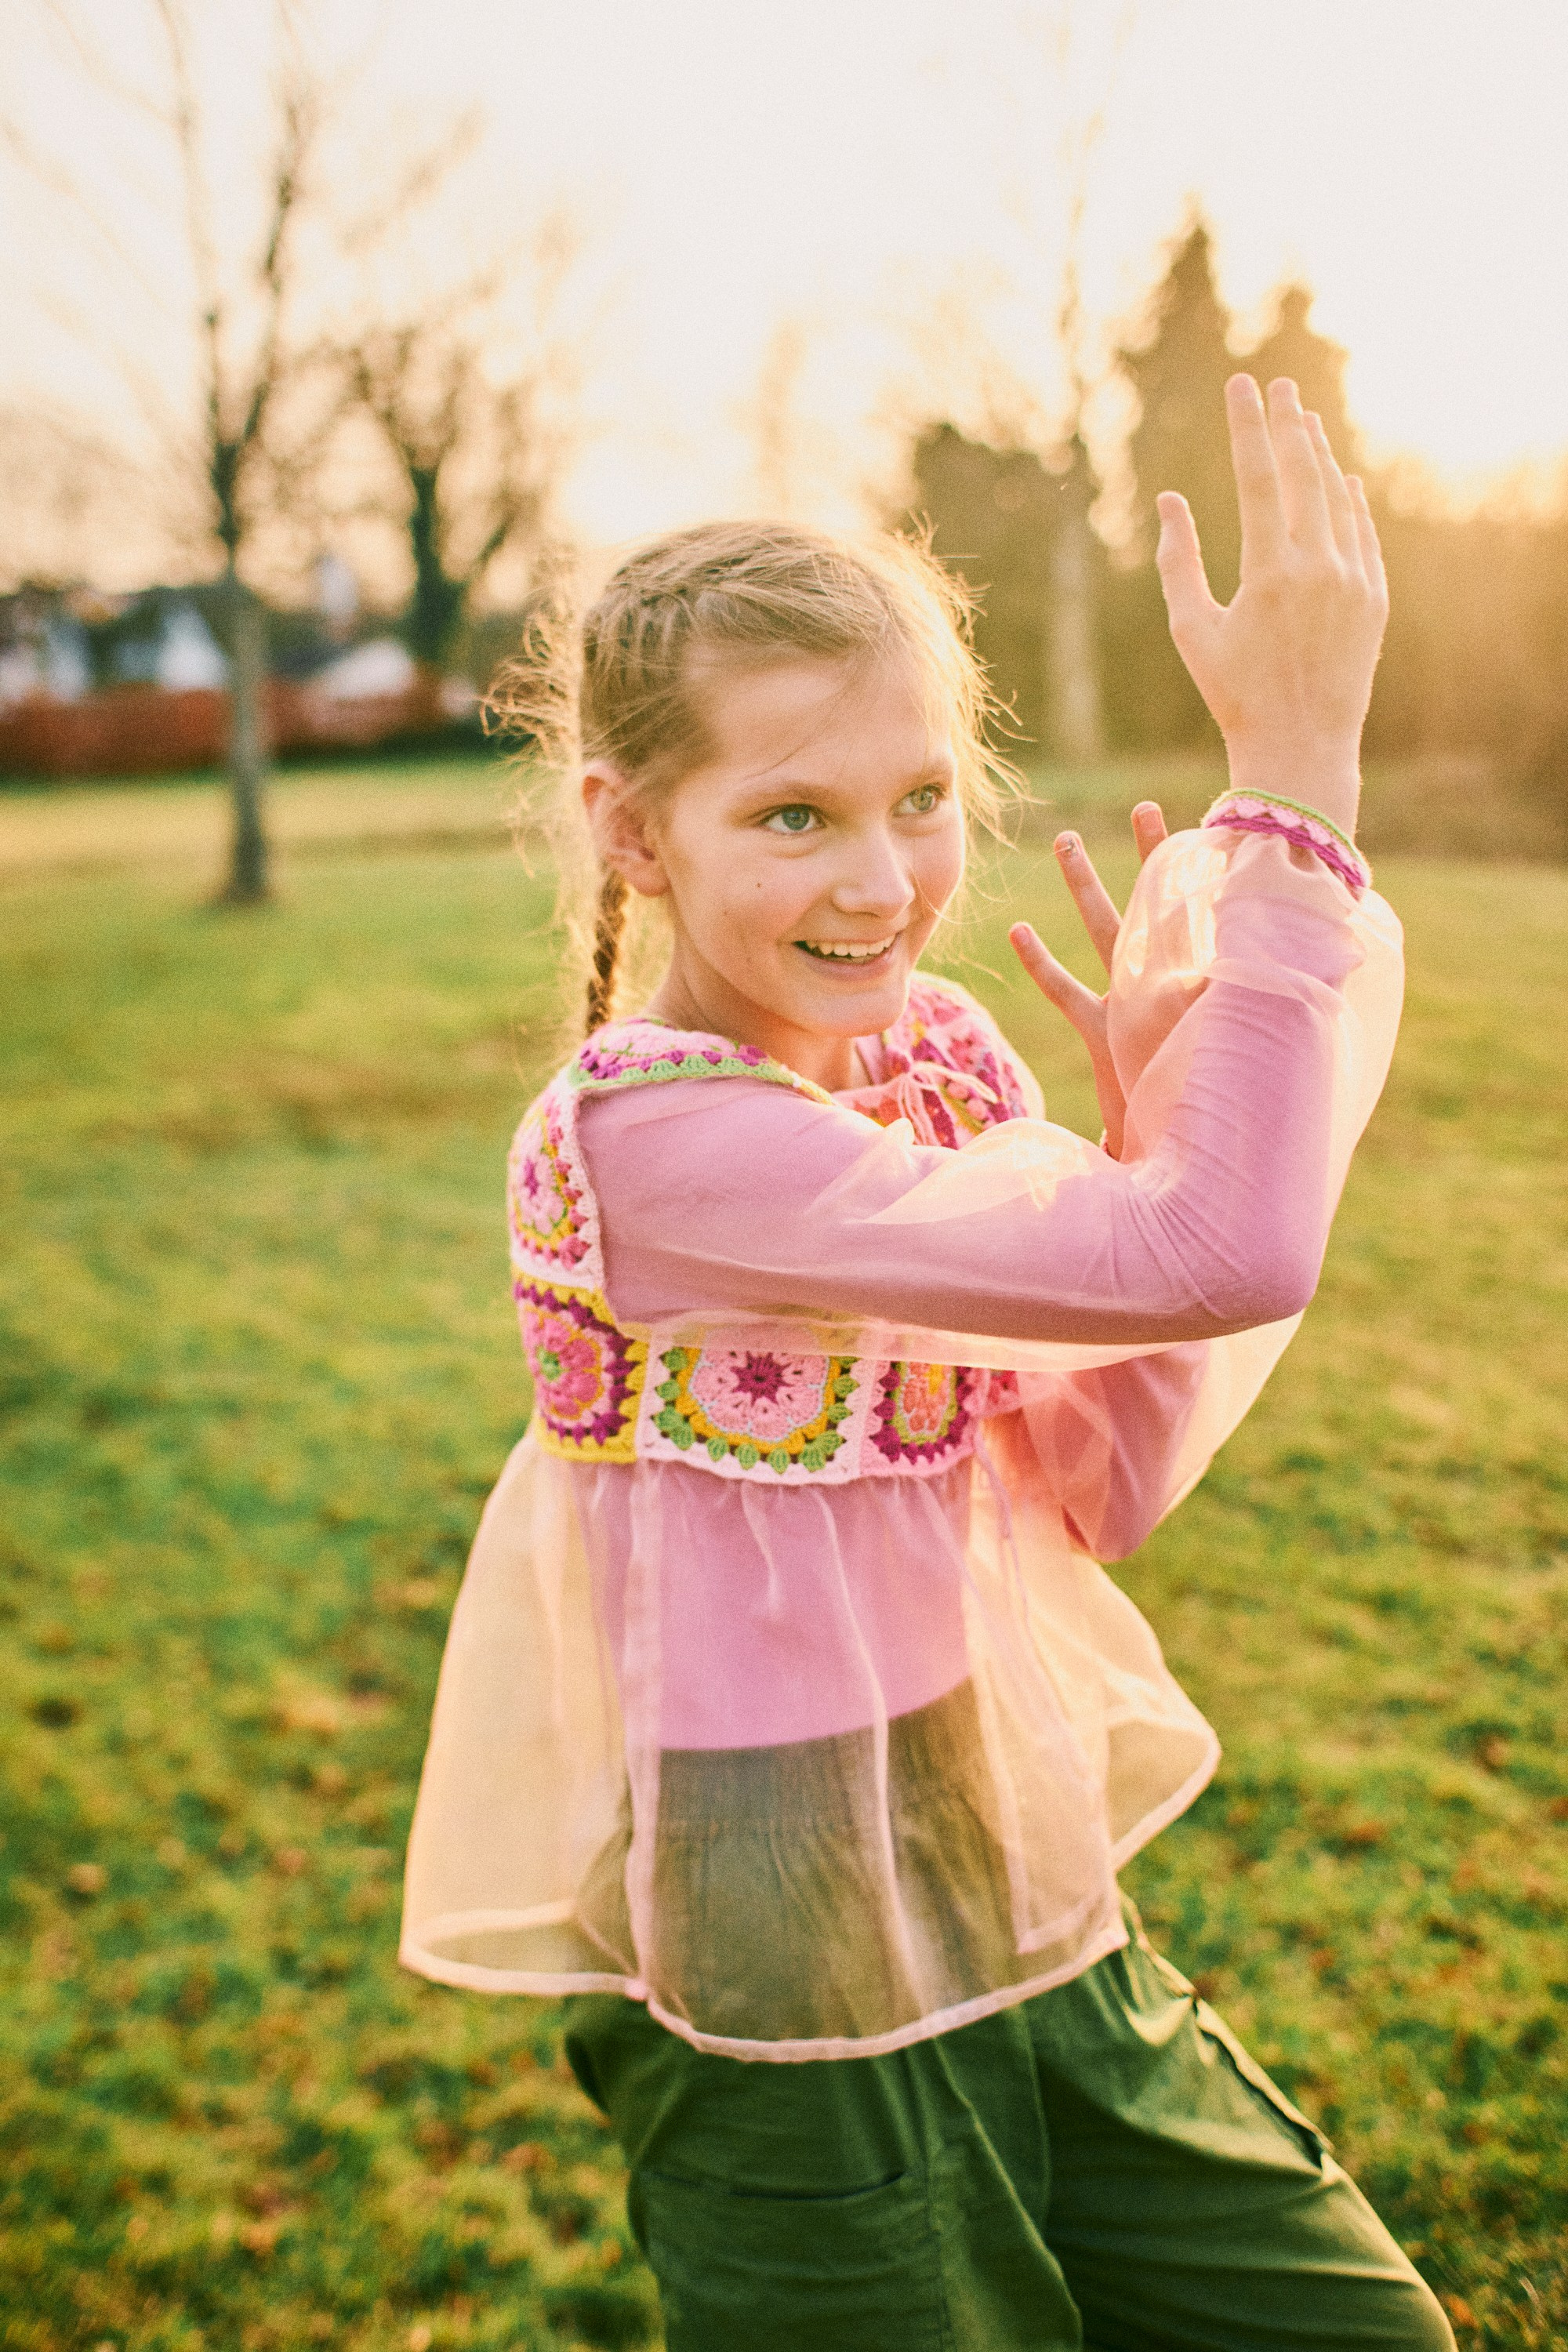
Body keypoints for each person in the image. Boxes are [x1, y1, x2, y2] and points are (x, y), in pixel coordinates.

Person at [401, 376, 1454, 2351]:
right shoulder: (663, 1146)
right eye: (790, 816)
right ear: (631, 833)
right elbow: (1224, 1248)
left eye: (915, 801)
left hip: (1004, 1822)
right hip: (779, 1911)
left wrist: (1152, 1138)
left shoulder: (927, 1074)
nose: (880, 883)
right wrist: (1295, 777)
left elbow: (1100, 1480)